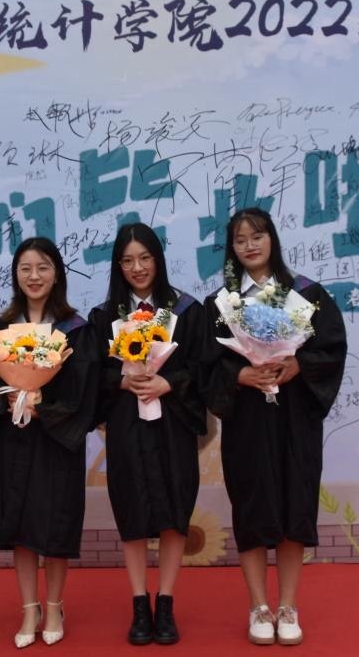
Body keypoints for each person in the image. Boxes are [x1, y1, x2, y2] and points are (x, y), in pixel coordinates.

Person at [202, 208, 347, 647]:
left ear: (272, 239)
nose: (250, 245)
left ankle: (287, 605)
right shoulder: (221, 304)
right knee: (252, 506)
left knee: (293, 504)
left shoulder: (307, 295)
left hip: (294, 417)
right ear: (231, 248)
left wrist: (300, 364)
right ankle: (258, 606)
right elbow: (205, 365)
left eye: (257, 236)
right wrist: (239, 375)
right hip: (247, 420)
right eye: (240, 239)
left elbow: (332, 350)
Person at [88, 223, 207, 646]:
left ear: (158, 259)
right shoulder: (104, 317)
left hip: (173, 423)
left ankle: (166, 602)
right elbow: (91, 375)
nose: (137, 268)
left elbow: (204, 367)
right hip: (127, 425)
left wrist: (168, 382)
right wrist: (121, 380)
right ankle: (140, 603)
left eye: (145, 258)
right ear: (118, 266)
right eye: (128, 260)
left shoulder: (186, 311)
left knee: (174, 508)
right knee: (132, 511)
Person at [0, 237, 98, 649]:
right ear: (15, 275)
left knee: (55, 523)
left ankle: (54, 605)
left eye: (43, 267)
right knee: (20, 524)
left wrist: (43, 407)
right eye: (25, 268)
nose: (34, 276)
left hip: (56, 442)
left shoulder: (75, 329)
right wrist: (7, 406)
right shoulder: (2, 328)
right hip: (16, 439)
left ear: (57, 274)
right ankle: (29, 608)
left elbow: (85, 392)